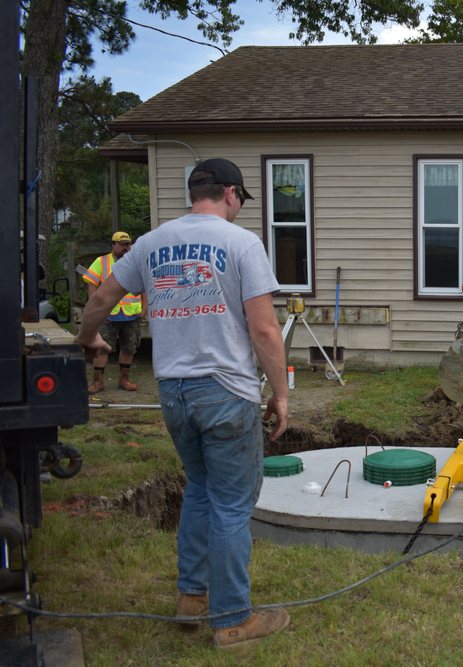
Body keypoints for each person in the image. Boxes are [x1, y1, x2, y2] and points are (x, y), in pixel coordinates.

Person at [75, 158, 291, 649]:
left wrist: (89, 337)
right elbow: (263, 329)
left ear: (195, 193)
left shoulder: (151, 243)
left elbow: (102, 297)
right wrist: (280, 394)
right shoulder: (242, 243)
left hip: (173, 392)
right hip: (226, 391)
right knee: (231, 503)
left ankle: (192, 598)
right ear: (231, 193)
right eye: (241, 199)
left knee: (200, 490)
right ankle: (233, 620)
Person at [81, 231, 146, 394]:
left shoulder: (135, 263)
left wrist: (145, 308)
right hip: (108, 315)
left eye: (128, 244)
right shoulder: (101, 262)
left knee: (129, 347)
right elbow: (92, 285)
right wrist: (95, 309)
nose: (125, 247)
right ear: (113, 245)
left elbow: (144, 287)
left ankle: (124, 379)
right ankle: (98, 381)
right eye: (122, 244)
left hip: (131, 314)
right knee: (102, 348)